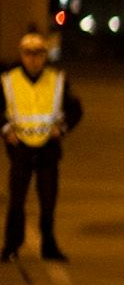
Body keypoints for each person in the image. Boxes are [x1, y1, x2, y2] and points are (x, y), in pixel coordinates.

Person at [3, 32, 84, 262]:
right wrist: (6, 130)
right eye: (28, 54)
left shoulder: (57, 80)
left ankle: (49, 246)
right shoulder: (9, 81)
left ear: (45, 56)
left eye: (38, 54)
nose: (33, 59)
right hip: (21, 150)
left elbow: (76, 109)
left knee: (48, 201)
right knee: (17, 200)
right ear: (21, 55)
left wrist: (64, 128)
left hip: (48, 149)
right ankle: (11, 245)